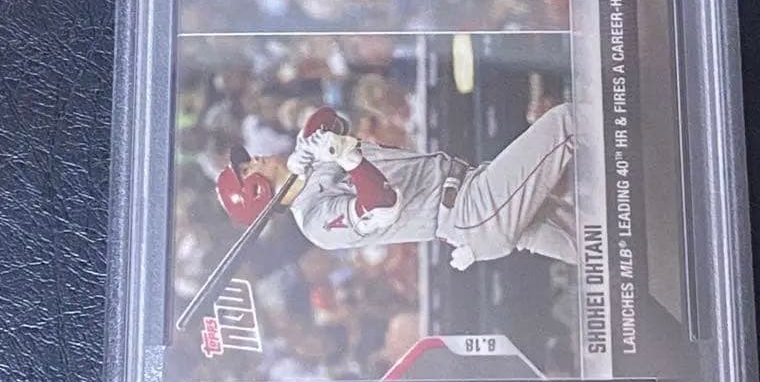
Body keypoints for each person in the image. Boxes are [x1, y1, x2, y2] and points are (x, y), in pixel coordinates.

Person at [217, 104, 582, 270]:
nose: (256, 159)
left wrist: (309, 143)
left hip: (469, 190)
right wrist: (348, 159)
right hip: (469, 211)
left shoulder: (307, 160)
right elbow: (383, 205)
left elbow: (330, 118)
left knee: (593, 247)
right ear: (255, 192)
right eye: (248, 170)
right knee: (567, 122)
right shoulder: (314, 222)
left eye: (247, 161)